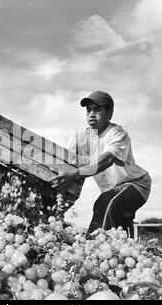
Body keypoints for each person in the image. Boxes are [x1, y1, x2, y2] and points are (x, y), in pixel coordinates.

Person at [51, 91, 151, 238]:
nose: (92, 114)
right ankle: (127, 251)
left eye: (97, 109)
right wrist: (62, 202)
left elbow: (108, 159)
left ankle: (92, 246)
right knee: (119, 225)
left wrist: (74, 174)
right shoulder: (81, 138)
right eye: (89, 110)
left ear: (109, 113)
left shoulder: (117, 133)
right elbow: (71, 169)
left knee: (106, 203)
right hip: (112, 191)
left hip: (135, 185)